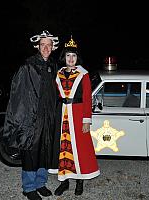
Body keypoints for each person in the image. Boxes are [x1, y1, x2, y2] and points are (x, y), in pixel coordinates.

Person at [2, 29, 60, 200]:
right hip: (32, 119)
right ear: (38, 46)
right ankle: (28, 188)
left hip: (48, 118)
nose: (46, 48)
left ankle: (40, 183)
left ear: (53, 47)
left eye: (49, 45)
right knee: (31, 152)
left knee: (45, 150)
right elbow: (17, 94)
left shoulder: (53, 67)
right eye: (43, 45)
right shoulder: (28, 66)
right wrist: (20, 119)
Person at [54, 36, 100, 196]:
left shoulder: (84, 75)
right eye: (68, 55)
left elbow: (88, 98)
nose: (71, 58)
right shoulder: (58, 74)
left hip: (78, 114)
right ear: (64, 57)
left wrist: (86, 120)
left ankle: (79, 183)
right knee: (63, 148)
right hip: (62, 115)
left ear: (77, 58)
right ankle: (64, 182)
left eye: (73, 56)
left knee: (79, 150)